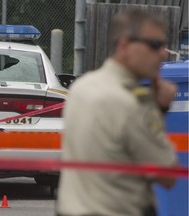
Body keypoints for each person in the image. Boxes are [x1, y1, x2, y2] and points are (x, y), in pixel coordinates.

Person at [56, 9, 178, 216]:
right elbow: (168, 175)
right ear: (124, 45)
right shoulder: (134, 103)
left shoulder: (81, 87)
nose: (163, 53)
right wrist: (160, 110)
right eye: (154, 45)